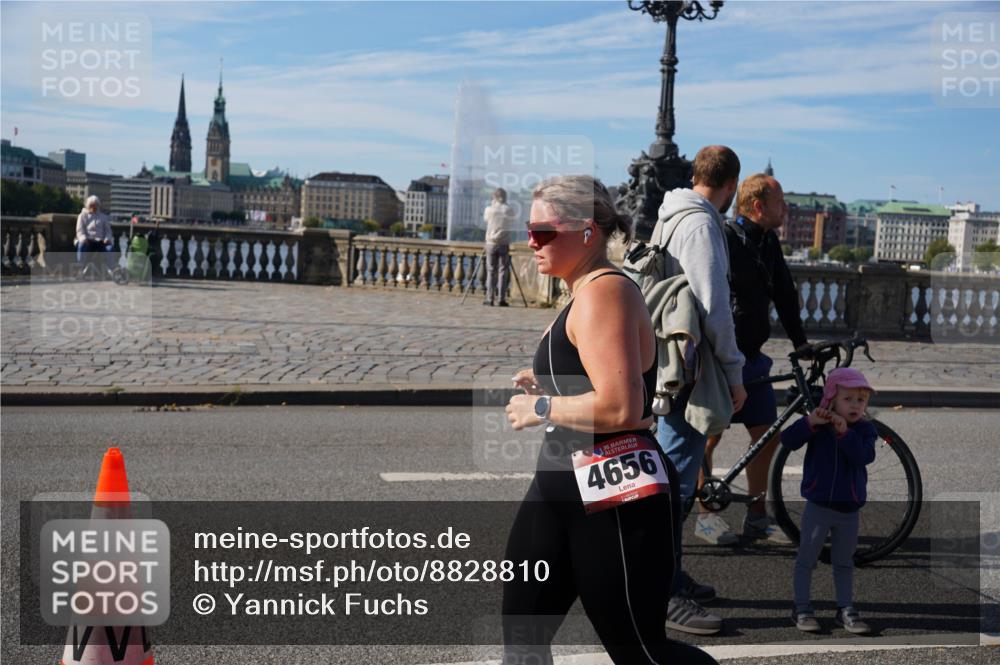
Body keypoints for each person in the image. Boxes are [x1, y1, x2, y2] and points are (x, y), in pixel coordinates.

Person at [503, 175, 717, 665]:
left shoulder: (604, 292)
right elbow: (597, 379)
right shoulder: (581, 290)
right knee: (522, 638)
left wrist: (541, 408)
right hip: (560, 492)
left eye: (542, 232)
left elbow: (622, 405)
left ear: (587, 231)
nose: (531, 243)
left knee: (641, 653)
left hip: (614, 498)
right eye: (529, 230)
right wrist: (552, 384)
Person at [653, 146, 746, 636]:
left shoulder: (669, 214)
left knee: (673, 477)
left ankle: (669, 576)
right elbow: (714, 307)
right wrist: (734, 372)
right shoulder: (703, 225)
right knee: (673, 485)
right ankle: (661, 591)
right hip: (689, 369)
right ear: (730, 184)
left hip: (668, 359)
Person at [694, 174, 809, 546]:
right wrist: (721, 356)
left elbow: (786, 295)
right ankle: (706, 517)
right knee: (708, 437)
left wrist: (801, 344)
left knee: (766, 437)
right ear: (759, 206)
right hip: (721, 359)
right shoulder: (726, 238)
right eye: (780, 202)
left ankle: (756, 518)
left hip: (754, 359)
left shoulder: (767, 240)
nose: (785, 209)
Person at [780, 367, 876, 635]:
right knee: (806, 559)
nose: (856, 405)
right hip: (818, 506)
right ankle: (801, 607)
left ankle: (845, 608)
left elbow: (864, 456)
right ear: (831, 398)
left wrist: (846, 433)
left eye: (861, 399)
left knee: (844, 562)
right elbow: (787, 440)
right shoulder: (819, 426)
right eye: (848, 399)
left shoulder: (866, 429)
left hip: (849, 509)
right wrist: (809, 423)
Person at [483, 188, 515, 306]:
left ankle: (489, 298)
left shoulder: (489, 209)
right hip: (503, 242)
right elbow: (513, 220)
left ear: (494, 197)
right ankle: (501, 298)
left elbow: (486, 220)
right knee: (502, 271)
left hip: (491, 242)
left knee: (491, 270)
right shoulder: (509, 209)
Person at [75, 195, 115, 273]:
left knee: (110, 248)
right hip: (88, 241)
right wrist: (83, 238)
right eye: (92, 205)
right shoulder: (82, 216)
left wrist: (107, 239)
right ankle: (80, 268)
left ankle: (111, 270)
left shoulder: (103, 217)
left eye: (95, 205)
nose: (94, 207)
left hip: (101, 242)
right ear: (88, 205)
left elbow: (108, 231)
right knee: (81, 246)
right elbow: (79, 230)